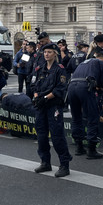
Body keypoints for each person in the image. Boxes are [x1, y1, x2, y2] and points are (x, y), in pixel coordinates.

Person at [32, 43, 72, 177]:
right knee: (41, 135)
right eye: (45, 52)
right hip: (41, 106)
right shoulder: (39, 69)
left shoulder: (60, 69)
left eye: (49, 52)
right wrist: (37, 97)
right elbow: (34, 85)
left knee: (57, 135)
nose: (46, 54)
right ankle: (45, 162)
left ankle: (64, 165)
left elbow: (60, 88)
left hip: (53, 105)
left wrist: (45, 97)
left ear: (55, 54)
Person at [67, 49, 103, 159]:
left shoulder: (83, 63)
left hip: (72, 87)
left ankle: (79, 146)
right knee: (92, 117)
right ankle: (91, 149)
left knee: (76, 118)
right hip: (85, 88)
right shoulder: (101, 63)